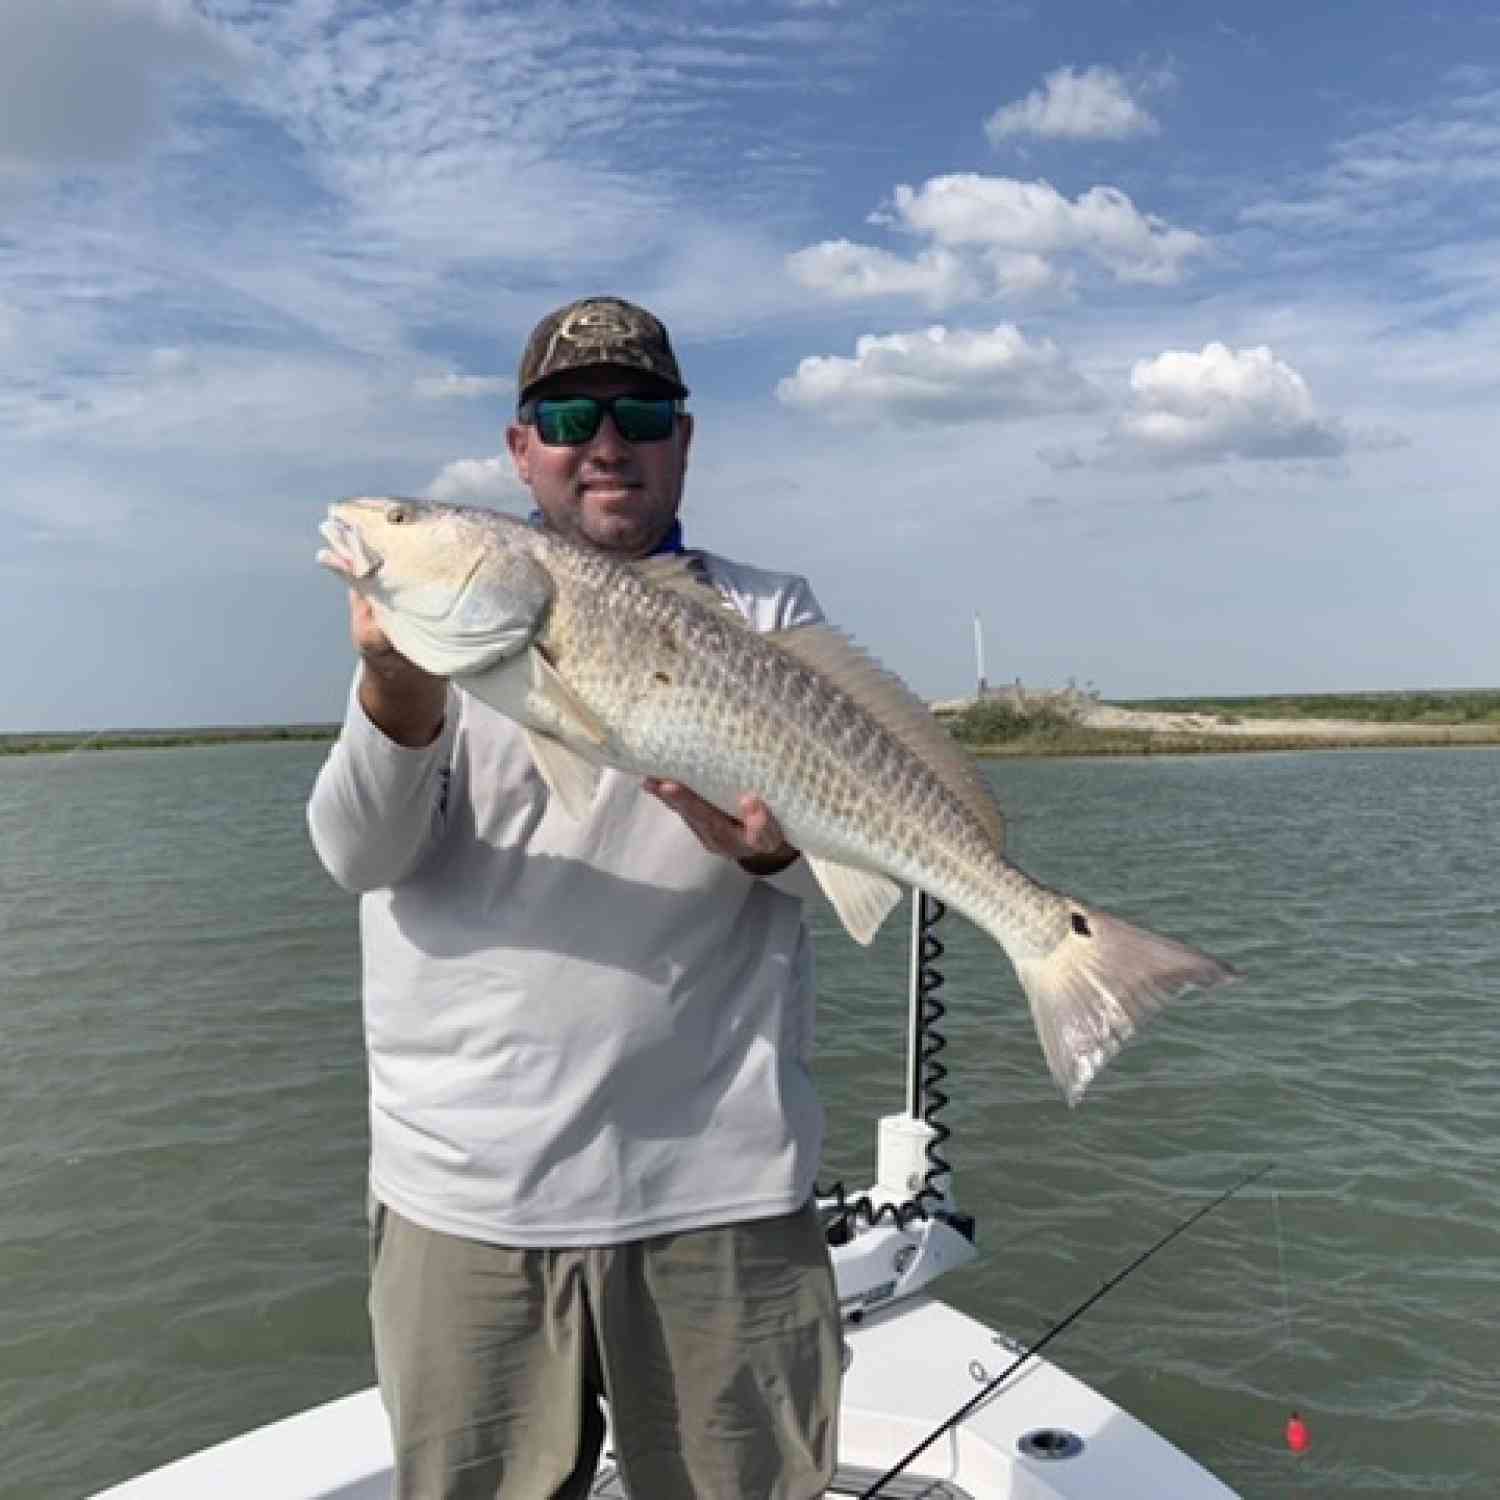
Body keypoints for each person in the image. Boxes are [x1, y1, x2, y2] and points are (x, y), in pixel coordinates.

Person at [307, 296, 841, 1500]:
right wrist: (395, 689)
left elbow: (838, 850)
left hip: (724, 1189)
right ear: (518, 452)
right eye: (566, 414)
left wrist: (771, 852)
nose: (606, 440)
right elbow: (357, 854)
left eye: (640, 412)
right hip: (469, 1196)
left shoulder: (769, 617)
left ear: (684, 441)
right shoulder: (435, 635)